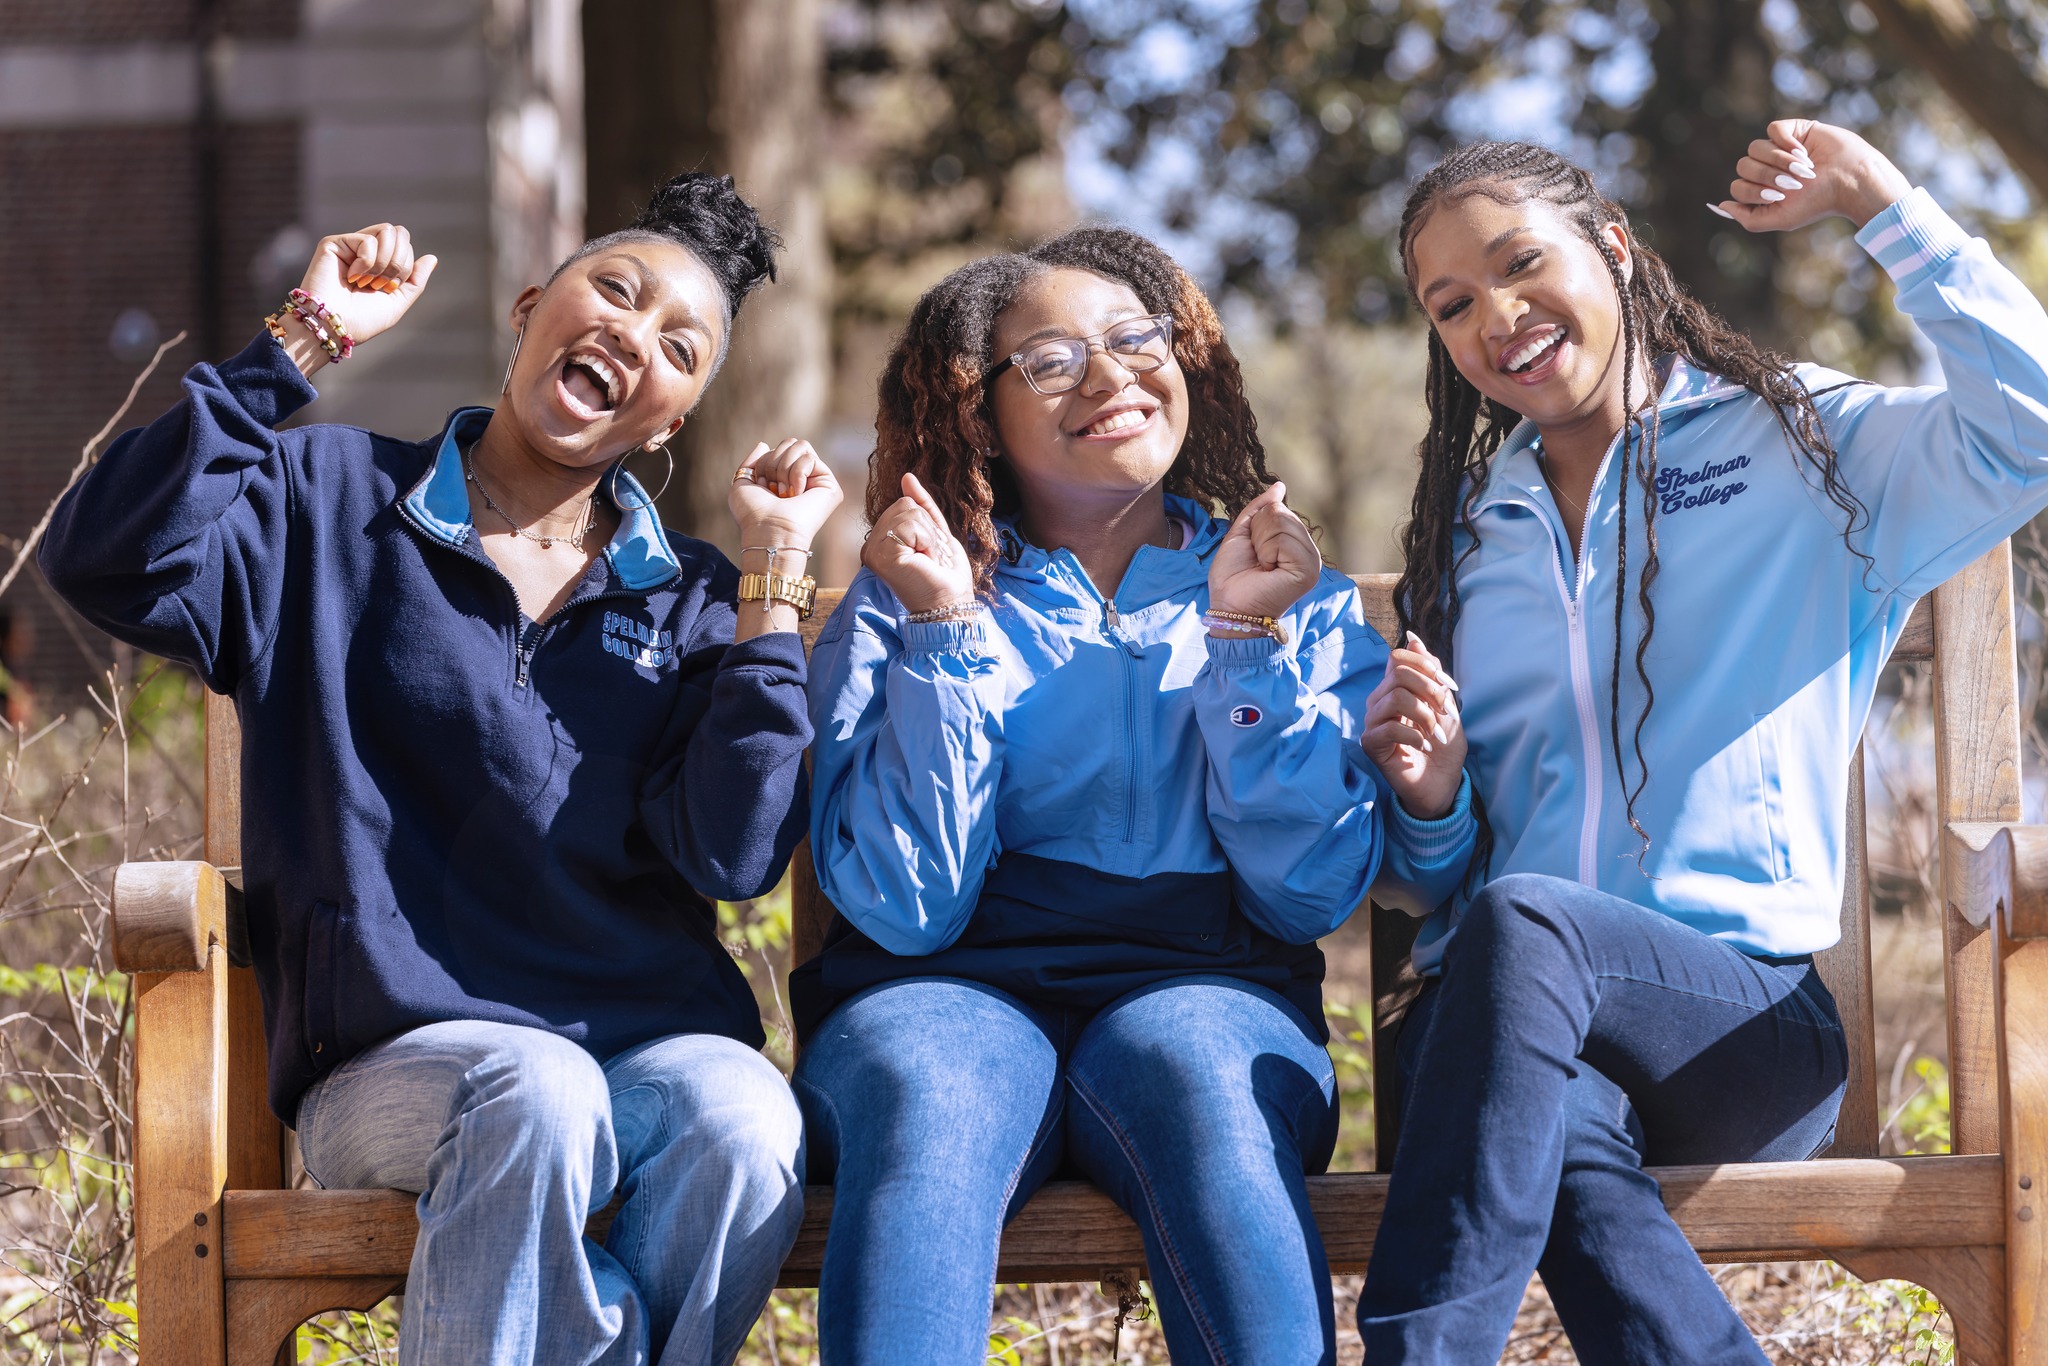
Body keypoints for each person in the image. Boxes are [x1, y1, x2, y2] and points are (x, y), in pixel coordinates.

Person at [40, 174, 844, 1366]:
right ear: (529, 310)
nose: (632, 335)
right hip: (396, 1065)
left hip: (647, 1051)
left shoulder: (689, 600)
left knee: (743, 1117)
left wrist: (772, 582)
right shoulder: (327, 502)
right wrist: (297, 346)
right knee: (539, 1089)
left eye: (677, 343)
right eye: (612, 293)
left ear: (670, 421)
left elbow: (728, 856)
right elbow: (102, 559)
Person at [1357, 123, 2048, 1362]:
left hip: (1739, 1030)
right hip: (1499, 1044)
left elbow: (2031, 427)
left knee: (1527, 919)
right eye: (1452, 303)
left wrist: (1881, 207)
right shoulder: (1463, 541)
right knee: (1546, 1096)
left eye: (1522, 263)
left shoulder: (1798, 447)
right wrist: (1426, 800)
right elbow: (1424, 878)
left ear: (1614, 248)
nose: (1495, 315)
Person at [791, 225, 1474, 1363]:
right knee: (932, 1092)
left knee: (1203, 1079)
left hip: (1207, 979)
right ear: (977, 410)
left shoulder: (1280, 585)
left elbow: (1307, 894)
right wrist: (945, 630)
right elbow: (908, 907)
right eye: (1051, 360)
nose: (1109, 377)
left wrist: (1246, 639)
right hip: (941, 983)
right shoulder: (907, 590)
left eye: (1132, 339)